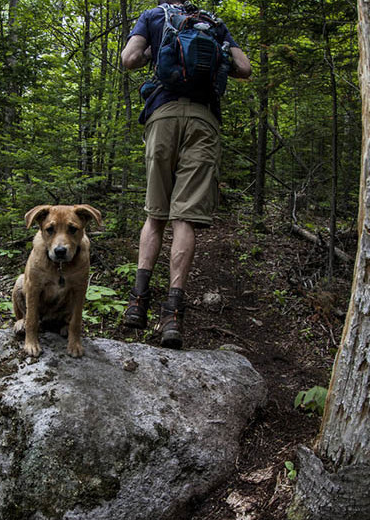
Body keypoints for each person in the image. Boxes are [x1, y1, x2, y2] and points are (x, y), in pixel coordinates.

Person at [121, 0, 251, 348]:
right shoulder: (213, 22)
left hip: (161, 115)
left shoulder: (153, 16)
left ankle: (137, 302)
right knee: (185, 220)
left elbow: (128, 60)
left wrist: (151, 52)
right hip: (203, 120)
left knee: (155, 215)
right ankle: (173, 316)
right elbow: (244, 67)